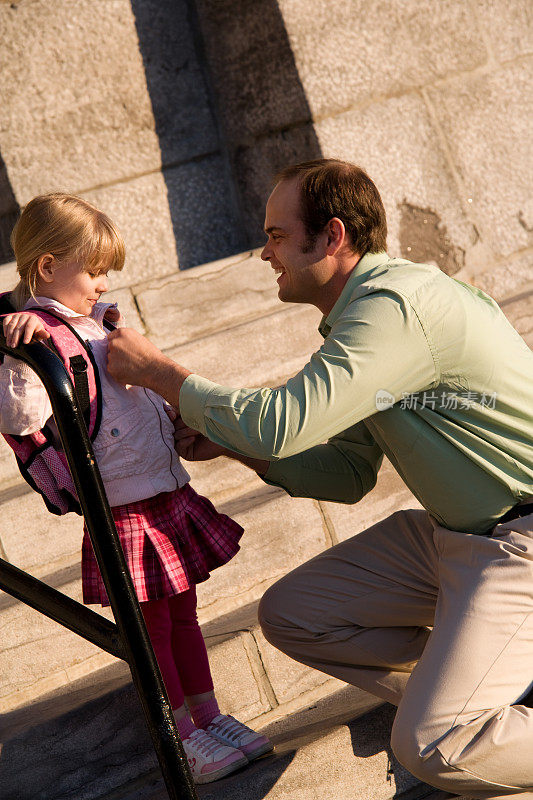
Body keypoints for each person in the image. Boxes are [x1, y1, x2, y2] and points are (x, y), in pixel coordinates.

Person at [107, 159, 533, 799]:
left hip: (520, 543)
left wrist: (162, 373)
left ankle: (468, 714)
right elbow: (347, 474)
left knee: (431, 746)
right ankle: (476, 687)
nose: (264, 252)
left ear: (331, 237)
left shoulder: (396, 308)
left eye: (277, 235)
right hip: (457, 538)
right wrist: (229, 443)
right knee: (295, 615)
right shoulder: (366, 321)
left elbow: (280, 424)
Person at [0, 193, 272, 785]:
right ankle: (182, 735)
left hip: (163, 488)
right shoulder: (34, 339)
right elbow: (22, 419)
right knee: (151, 631)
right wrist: (12, 337)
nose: (102, 283)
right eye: (93, 271)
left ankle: (208, 715)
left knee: (185, 617)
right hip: (123, 504)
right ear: (47, 267)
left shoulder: (100, 323)